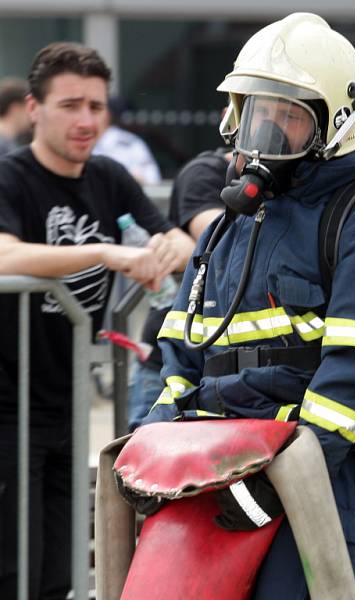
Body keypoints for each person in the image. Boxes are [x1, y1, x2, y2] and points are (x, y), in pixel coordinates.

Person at [140, 13, 355, 598]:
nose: (267, 130)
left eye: (289, 115)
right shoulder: (233, 226)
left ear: (335, 124)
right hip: (211, 472)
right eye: (258, 111)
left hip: (322, 482)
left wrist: (281, 482)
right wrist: (153, 439)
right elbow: (183, 350)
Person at [0, 42, 194, 600]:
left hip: (69, 404)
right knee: (16, 571)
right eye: (70, 105)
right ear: (33, 108)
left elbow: (177, 236)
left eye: (96, 105)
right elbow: (5, 254)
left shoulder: (109, 177)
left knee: (62, 576)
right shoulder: (12, 177)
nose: (87, 120)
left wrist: (161, 251)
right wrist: (107, 253)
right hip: (7, 407)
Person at [127, 147, 229, 430]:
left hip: (228, 372)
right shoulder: (206, 171)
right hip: (169, 365)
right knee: (147, 467)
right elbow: (225, 241)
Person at [93, 96, 162, 185]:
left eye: (95, 109)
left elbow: (153, 179)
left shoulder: (131, 143)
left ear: (108, 114)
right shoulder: (79, 141)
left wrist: (130, 179)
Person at [0, 77, 31, 155]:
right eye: (29, 107)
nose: (32, 114)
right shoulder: (4, 146)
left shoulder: (10, 143)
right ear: (16, 109)